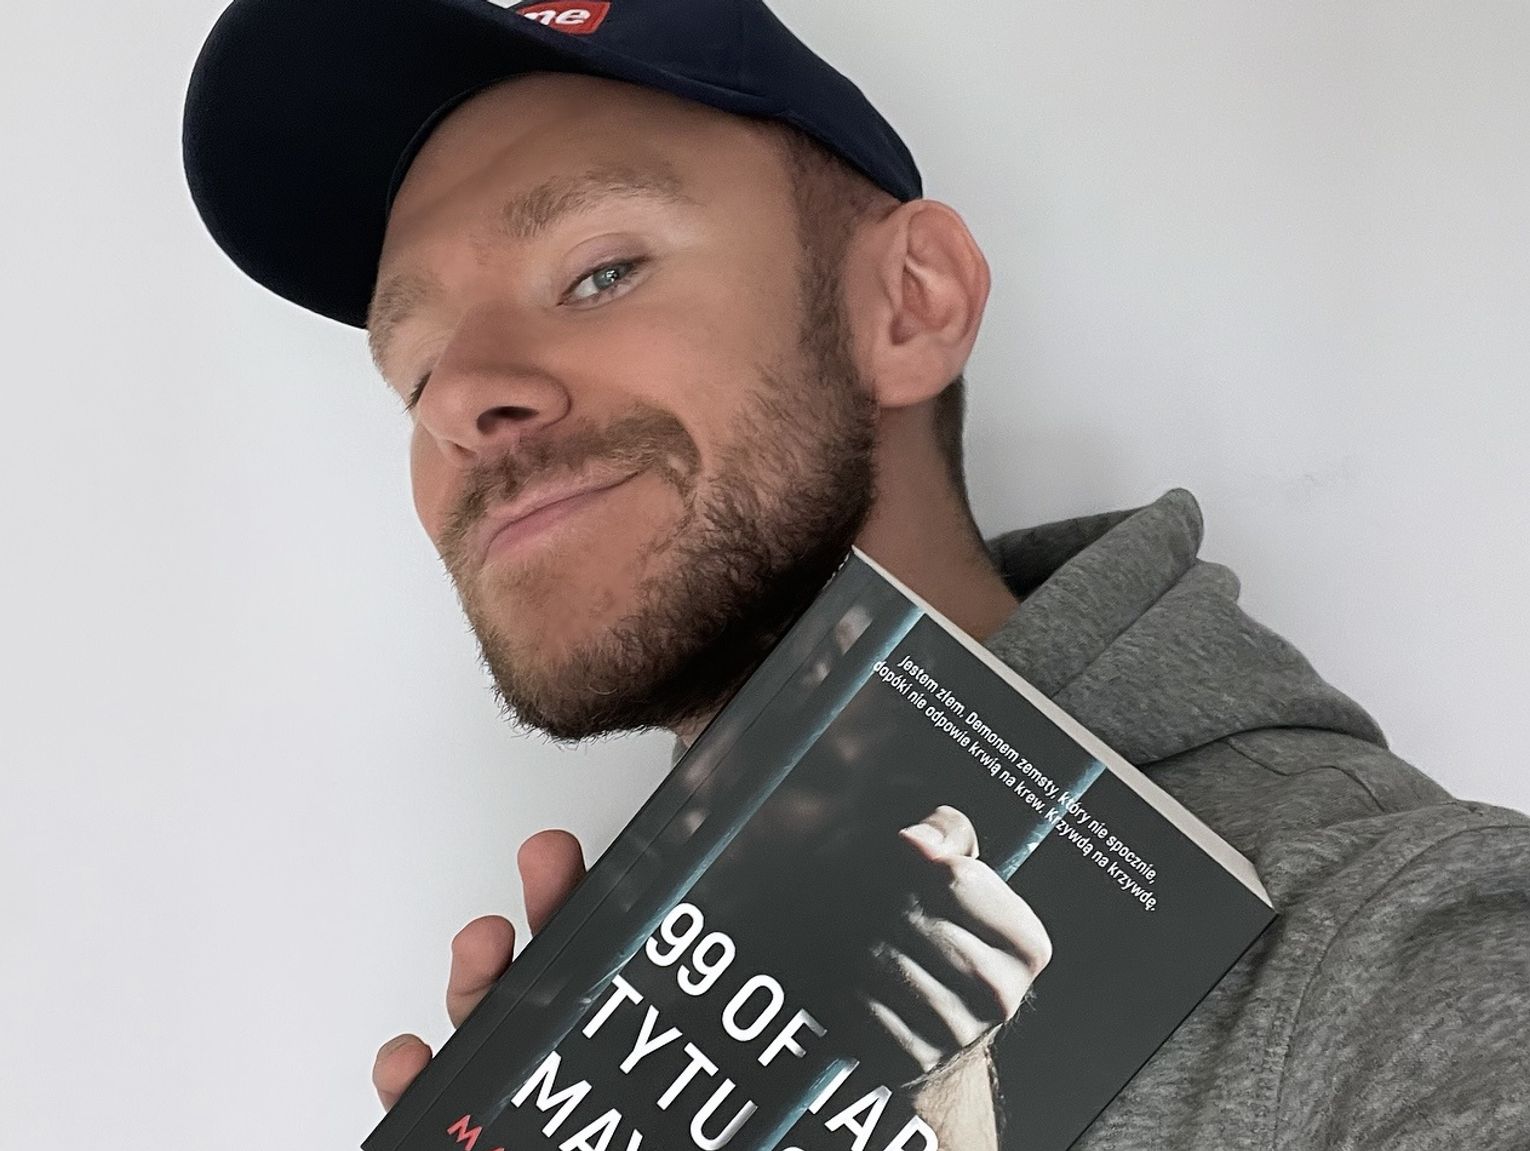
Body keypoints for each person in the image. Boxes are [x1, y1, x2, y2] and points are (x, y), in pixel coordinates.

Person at [181, 1, 1530, 1147]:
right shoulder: (618, 988)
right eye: (415, 369)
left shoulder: (1408, 952)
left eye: (599, 272)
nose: (462, 399)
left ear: (910, 303)